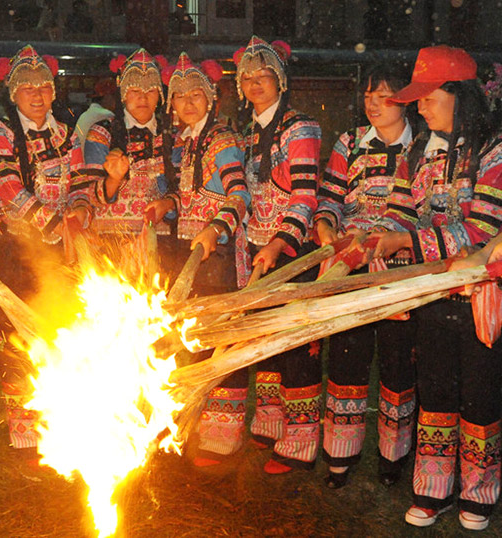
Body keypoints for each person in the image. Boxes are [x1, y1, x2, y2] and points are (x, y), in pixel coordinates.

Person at [368, 45, 502, 531]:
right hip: (430, 293)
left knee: (480, 390)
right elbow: (399, 209)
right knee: (436, 387)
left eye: (428, 96)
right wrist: (380, 237)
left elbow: (483, 231)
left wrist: (407, 239)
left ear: (459, 95)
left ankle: (480, 491)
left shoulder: (493, 150)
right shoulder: (417, 151)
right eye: (417, 97)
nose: (419, 106)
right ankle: (433, 486)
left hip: (480, 295)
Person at [314, 63, 417, 489]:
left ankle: (393, 456)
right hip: (350, 263)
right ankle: (340, 454)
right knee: (347, 354)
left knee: (396, 361)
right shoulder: (349, 142)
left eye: (384, 94)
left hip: (401, 266)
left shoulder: (424, 146)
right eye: (368, 95)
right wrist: (327, 231)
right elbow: (330, 197)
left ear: (405, 99)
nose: (373, 103)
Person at [0, 45, 91, 451]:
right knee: (18, 336)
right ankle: (27, 433)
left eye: (44, 86)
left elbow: (81, 181)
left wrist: (80, 211)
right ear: (13, 93)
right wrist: (51, 225)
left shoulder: (67, 132)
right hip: (18, 251)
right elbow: (7, 186)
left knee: (64, 329)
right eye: (27, 87)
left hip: (63, 252)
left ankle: (66, 421)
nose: (37, 94)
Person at [235, 36, 322, 474]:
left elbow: (306, 196)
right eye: (246, 77)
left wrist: (278, 243)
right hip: (255, 245)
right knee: (263, 341)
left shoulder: (300, 128)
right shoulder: (245, 130)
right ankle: (270, 422)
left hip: (292, 247)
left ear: (280, 79)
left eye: (263, 74)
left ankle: (301, 442)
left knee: (293, 340)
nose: (254, 83)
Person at [164, 52, 251, 464]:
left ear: (211, 98)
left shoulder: (222, 140)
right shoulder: (186, 142)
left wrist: (216, 228)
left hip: (217, 257)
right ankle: (195, 427)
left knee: (221, 345)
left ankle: (222, 435)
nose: (188, 103)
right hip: (191, 256)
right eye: (180, 97)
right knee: (194, 342)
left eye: (196, 94)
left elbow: (240, 196)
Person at [81, 49, 176, 254]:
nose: (143, 97)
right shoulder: (101, 133)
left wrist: (167, 204)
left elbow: (181, 189)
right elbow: (87, 195)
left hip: (159, 243)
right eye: (135, 90)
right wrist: (114, 180)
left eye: (150, 90)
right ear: (123, 94)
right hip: (109, 244)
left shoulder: (172, 135)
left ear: (159, 95)